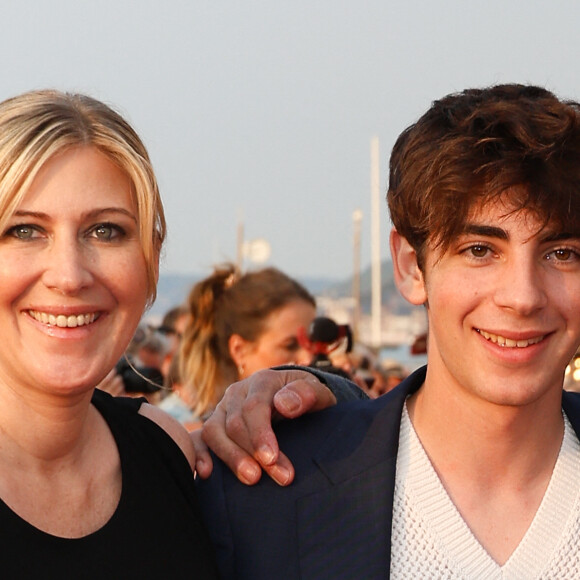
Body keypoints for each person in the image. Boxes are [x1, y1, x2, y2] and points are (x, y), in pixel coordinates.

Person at [196, 84, 580, 578]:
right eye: (480, 250)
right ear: (410, 267)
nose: (523, 296)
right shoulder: (260, 500)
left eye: (562, 253)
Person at [0, 89, 218, 577]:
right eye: (24, 231)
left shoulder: (166, 450)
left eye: (105, 231)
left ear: (151, 258)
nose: (69, 276)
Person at [179, 262, 317, 420]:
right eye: (290, 346)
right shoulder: (202, 438)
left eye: (312, 343)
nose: (308, 358)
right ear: (239, 350)